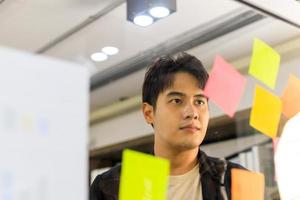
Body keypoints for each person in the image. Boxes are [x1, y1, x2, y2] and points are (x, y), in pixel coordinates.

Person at [90, 52, 245, 200]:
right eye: (177, 101)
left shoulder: (234, 180)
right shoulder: (112, 186)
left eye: (199, 101)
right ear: (149, 113)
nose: (192, 113)